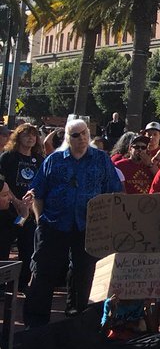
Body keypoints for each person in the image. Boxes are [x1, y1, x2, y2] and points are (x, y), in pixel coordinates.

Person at [25, 118, 123, 326]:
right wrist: (39, 219)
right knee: (43, 271)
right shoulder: (54, 160)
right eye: (76, 135)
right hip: (54, 223)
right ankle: (35, 323)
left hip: (89, 226)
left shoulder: (101, 159)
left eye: (85, 133)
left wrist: (107, 222)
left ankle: (78, 319)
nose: (82, 138)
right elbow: (38, 192)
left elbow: (113, 190)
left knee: (84, 273)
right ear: (67, 137)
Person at [0, 122, 44, 289]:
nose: (31, 138)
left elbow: (42, 184)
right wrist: (16, 201)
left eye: (33, 135)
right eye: (26, 134)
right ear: (18, 137)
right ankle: (3, 285)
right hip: (9, 211)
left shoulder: (40, 160)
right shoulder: (8, 157)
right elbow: (2, 184)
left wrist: (31, 202)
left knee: (27, 248)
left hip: (29, 213)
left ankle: (23, 283)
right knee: (4, 246)